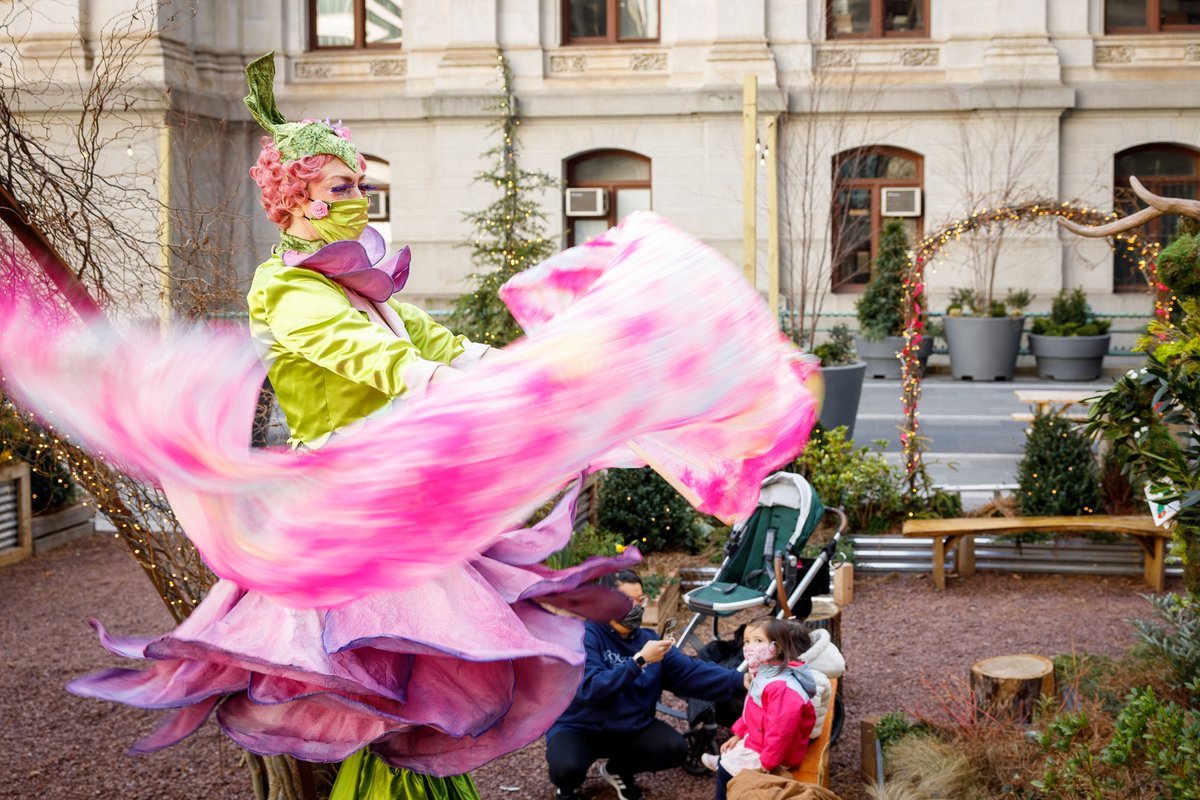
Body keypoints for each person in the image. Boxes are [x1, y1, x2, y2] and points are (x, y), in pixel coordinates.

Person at [546, 569, 745, 800]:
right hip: (580, 727)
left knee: (674, 748)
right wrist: (638, 661)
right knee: (566, 768)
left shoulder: (647, 640)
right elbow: (590, 689)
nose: (637, 607)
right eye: (629, 601)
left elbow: (691, 672)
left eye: (641, 600)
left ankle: (617, 770)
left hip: (629, 727)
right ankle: (566, 787)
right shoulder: (583, 636)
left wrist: (740, 679)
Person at [705, 617, 817, 800]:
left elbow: (781, 732)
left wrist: (768, 762)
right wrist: (739, 733)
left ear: (778, 647)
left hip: (779, 753)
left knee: (725, 770)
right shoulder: (766, 671)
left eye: (758, 641)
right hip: (762, 738)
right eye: (747, 641)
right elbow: (754, 708)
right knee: (727, 757)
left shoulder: (782, 687)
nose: (750, 647)